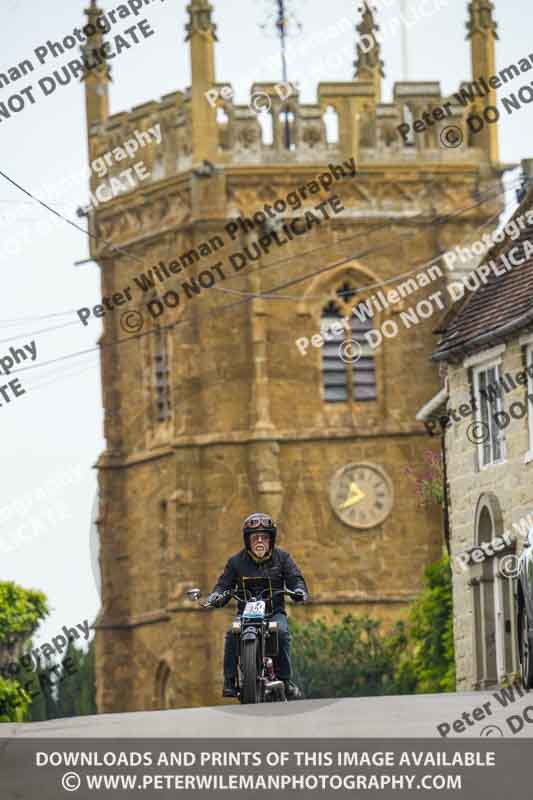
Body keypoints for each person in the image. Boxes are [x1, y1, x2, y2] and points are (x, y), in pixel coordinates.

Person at [207, 512, 309, 699]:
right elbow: (223, 585)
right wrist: (216, 596)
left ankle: (285, 680)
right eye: (255, 538)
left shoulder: (283, 558)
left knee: (283, 633)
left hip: (274, 613)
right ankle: (230, 681)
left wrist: (299, 591)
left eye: (264, 537)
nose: (260, 541)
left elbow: (295, 578)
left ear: (271, 540)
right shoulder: (235, 562)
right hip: (245, 616)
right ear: (248, 541)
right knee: (231, 633)